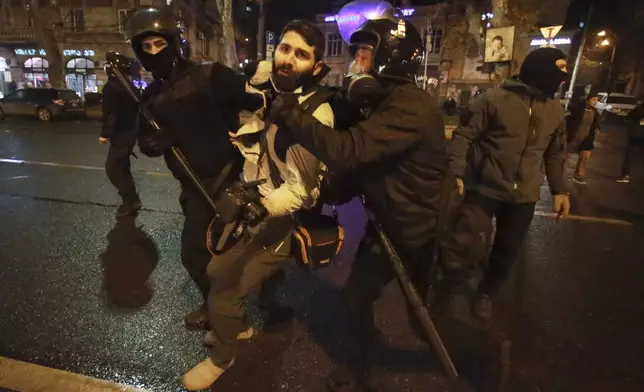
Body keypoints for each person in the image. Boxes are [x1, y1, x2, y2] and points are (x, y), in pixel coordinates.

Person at [268, 15, 449, 391]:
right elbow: (368, 161)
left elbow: (352, 151)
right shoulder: (383, 101)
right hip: (385, 219)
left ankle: (476, 365)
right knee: (356, 296)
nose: (357, 62)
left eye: (366, 53)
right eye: (358, 53)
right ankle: (360, 364)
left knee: (429, 313)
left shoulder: (411, 106)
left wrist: (291, 114)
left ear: (391, 57)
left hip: (413, 227)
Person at [181, 20, 334, 390]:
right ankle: (239, 327)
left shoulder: (314, 115)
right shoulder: (272, 93)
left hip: (281, 219)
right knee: (217, 270)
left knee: (223, 290)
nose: (288, 59)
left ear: (315, 67)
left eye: (301, 55)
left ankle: (224, 356)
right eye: (285, 48)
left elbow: (303, 191)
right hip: (256, 203)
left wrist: (262, 208)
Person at [125, 7, 265, 330]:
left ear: (173, 42)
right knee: (196, 253)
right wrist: (153, 141)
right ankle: (218, 306)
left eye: (158, 44)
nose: (153, 52)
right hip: (192, 187)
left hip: (228, 177)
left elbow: (254, 100)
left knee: (239, 248)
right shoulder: (148, 98)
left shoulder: (208, 75)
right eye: (145, 47)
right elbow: (144, 142)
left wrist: (258, 102)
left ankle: (250, 302)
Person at [444, 47, 571, 324]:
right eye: (558, 71)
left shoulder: (555, 111)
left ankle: (485, 293)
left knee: (507, 251)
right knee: (464, 242)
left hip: (524, 196)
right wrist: (457, 172)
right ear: (540, 70)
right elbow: (464, 135)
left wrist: (560, 190)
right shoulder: (494, 99)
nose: (562, 78)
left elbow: (553, 154)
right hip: (484, 187)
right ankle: (450, 289)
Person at [99, 52, 142, 217]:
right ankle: (131, 198)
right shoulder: (127, 86)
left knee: (113, 168)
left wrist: (105, 133)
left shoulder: (112, 87)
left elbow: (111, 113)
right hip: (130, 132)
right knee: (122, 167)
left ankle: (130, 200)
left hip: (123, 134)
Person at [566, 93, 600, 184]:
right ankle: (560, 174)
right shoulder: (579, 110)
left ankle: (579, 175)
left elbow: (596, 124)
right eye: (593, 99)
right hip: (574, 136)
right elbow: (570, 119)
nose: (595, 102)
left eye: (597, 100)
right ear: (588, 100)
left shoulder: (595, 112)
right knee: (565, 157)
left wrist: (597, 129)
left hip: (587, 138)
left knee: (584, 157)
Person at [617, 102, 644, 183]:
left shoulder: (638, 109)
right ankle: (625, 175)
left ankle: (625, 176)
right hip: (637, 135)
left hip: (635, 135)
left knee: (630, 155)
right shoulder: (639, 109)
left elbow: (628, 119)